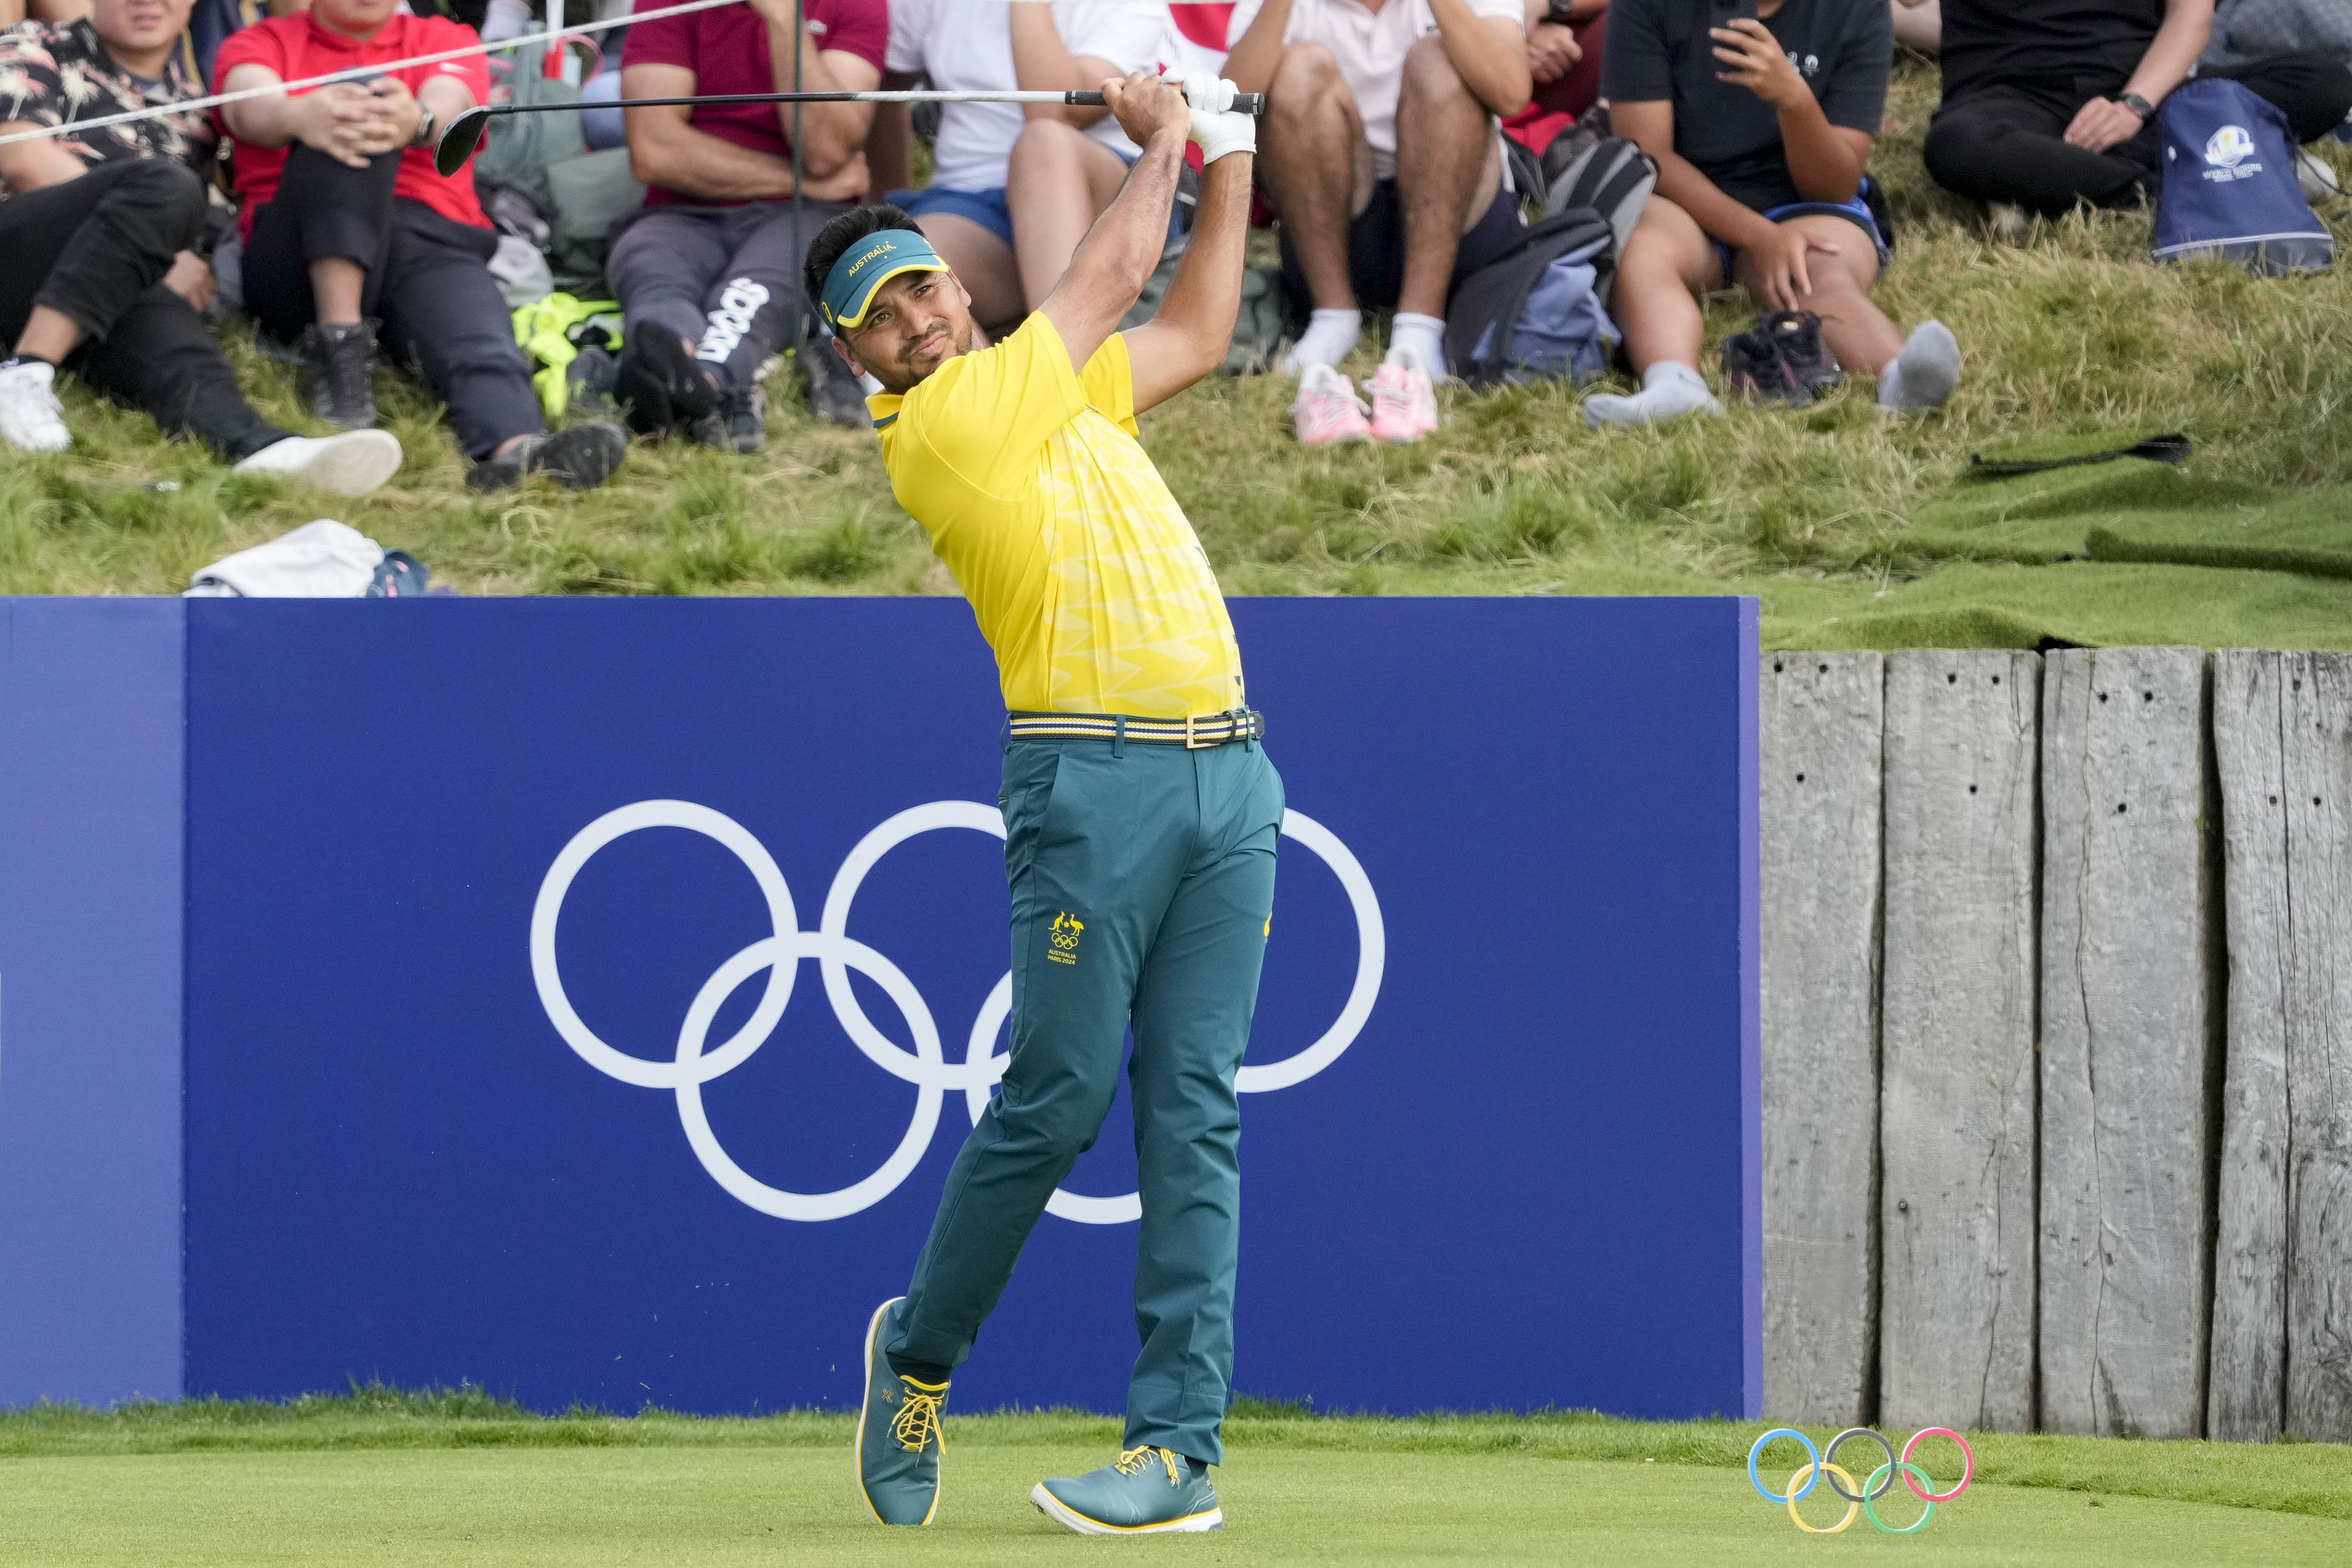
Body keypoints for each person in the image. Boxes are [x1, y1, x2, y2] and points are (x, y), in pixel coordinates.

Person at [814, 70, 1277, 1538]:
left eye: (924, 291)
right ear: (860, 363)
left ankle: (1174, 1450)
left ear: (957, 286)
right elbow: (1118, 263)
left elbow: (1196, 323)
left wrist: (1237, 143)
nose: (920, 319)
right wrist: (1163, 140)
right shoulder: (946, 431)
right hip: (1090, 781)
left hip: (1231, 771)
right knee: (1061, 1095)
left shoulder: (1052, 378)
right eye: (883, 319)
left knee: (1194, 1112)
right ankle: (920, 1359)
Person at [216, 0, 629, 492]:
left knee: (472, 325)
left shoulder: (445, 39)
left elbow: (450, 104)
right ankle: (341, 358)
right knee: (355, 109)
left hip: (423, 237)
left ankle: (517, 447)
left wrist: (415, 119)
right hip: (294, 258)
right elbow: (246, 106)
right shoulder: (261, 43)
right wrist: (301, 115)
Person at [0, 0, 402, 490]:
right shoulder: (35, 44)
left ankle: (259, 448)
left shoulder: (194, 104)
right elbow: (20, 156)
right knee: (165, 188)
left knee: (177, 343)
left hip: (94, 285)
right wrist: (157, 243)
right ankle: (26, 372)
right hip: (16, 239)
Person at [1586, 0, 1960, 426]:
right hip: (1681, 202)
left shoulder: (1856, 9)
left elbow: (1832, 187)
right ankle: (1673, 382)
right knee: (1639, 248)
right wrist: (1755, 235)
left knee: (1822, 270)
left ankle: (1898, 378)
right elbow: (1649, 156)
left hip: (1801, 206)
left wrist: (1793, 99)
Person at [1224, 0, 1532, 445]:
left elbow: (1510, 92)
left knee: (1437, 57)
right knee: (1298, 69)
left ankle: (1419, 328)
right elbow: (1230, 103)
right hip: (1340, 230)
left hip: (1462, 225)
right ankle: (1333, 315)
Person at [609, 0, 887, 444]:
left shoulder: (855, 5)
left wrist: (782, 19)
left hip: (799, 217)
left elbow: (825, 149)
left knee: (751, 294)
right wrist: (803, 183)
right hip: (680, 212)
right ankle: (667, 369)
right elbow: (655, 151)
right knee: (653, 274)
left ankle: (705, 382)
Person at [865, 1, 1173, 335]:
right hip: (973, 205)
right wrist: (884, 204)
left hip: (1091, 191)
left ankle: (1067, 359)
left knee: (1043, 144)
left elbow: (1054, 112)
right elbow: (883, 89)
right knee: (893, 268)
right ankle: (996, 382)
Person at [1921, 0, 2352, 222]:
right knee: (1957, 144)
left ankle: (2049, 179)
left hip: (2141, 90)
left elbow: (2189, 17)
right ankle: (2216, 175)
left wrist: (2133, 106)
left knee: (2323, 84)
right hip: (2009, 94)